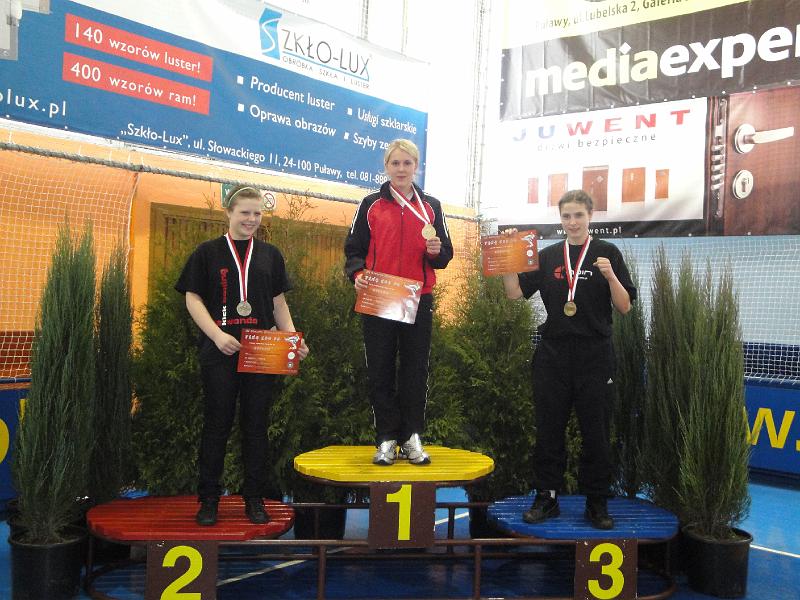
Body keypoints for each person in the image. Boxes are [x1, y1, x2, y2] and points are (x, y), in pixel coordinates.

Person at [501, 189, 636, 529]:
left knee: (596, 433)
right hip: (553, 356)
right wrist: (507, 260)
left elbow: (624, 307)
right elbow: (514, 293)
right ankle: (546, 498)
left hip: (595, 356)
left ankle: (597, 502)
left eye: (578, 215)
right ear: (560, 219)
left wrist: (610, 276)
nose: (572, 222)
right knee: (548, 431)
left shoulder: (607, 253)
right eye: (566, 216)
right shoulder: (548, 256)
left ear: (590, 216)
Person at [176, 185, 309, 526]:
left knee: (256, 427)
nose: (251, 219)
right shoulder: (207, 253)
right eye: (245, 212)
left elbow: (278, 303)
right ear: (229, 213)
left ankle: (254, 498)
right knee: (216, 426)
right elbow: (192, 298)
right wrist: (217, 335)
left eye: (257, 213)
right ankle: (209, 500)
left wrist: (292, 338)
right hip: (220, 351)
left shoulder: (270, 255)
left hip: (260, 353)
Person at [344, 139, 453, 466]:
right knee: (380, 369)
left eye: (407, 163)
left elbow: (445, 254)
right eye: (395, 163)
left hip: (418, 297)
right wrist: (357, 274)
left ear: (416, 166)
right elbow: (353, 249)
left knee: (415, 370)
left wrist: (436, 252)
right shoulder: (370, 205)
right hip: (381, 295)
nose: (401, 169)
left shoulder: (431, 206)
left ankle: (412, 436)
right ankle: (386, 438)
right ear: (386, 167)